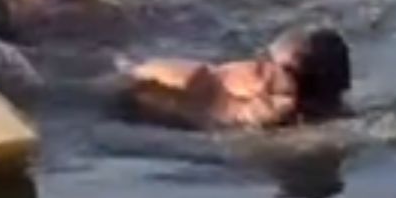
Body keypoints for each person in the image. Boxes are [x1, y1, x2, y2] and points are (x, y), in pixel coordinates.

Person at [122, 27, 352, 131]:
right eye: (258, 61)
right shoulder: (191, 81)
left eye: (260, 67)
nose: (247, 64)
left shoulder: (195, 80)